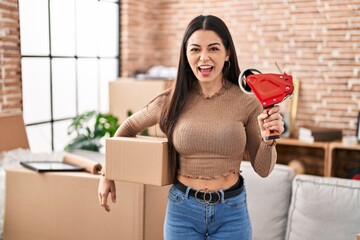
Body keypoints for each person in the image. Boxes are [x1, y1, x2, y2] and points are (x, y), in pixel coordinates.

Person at [98, 14, 284, 240]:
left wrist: (269, 140)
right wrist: (107, 174)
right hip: (182, 211)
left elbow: (263, 169)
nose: (203, 57)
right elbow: (127, 128)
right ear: (186, 56)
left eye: (213, 49)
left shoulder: (248, 101)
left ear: (227, 54)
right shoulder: (173, 99)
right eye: (195, 49)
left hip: (232, 212)